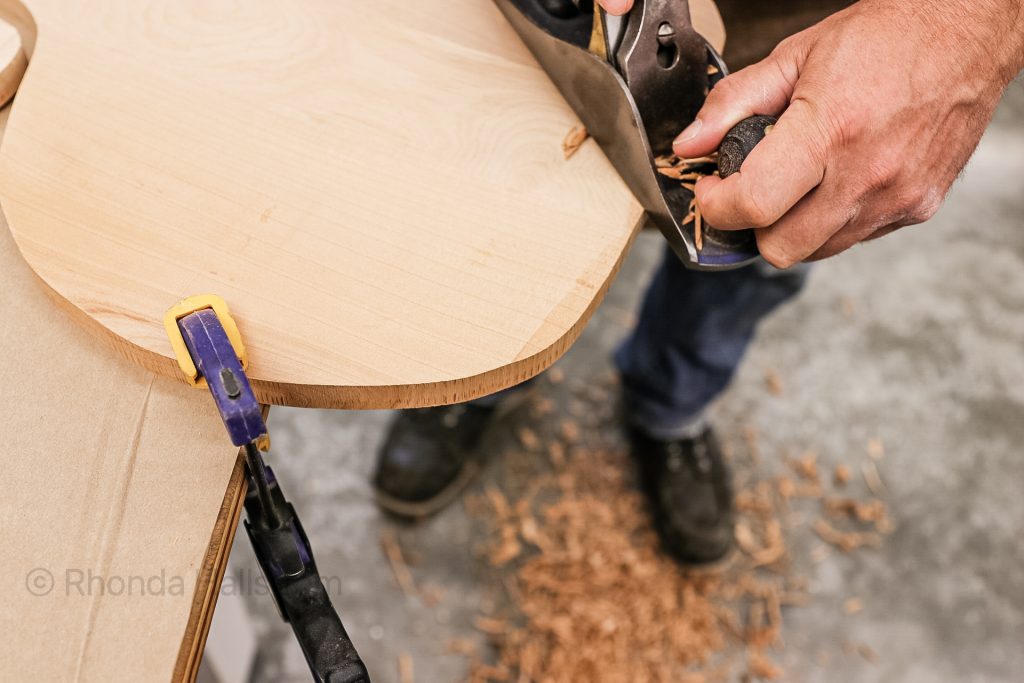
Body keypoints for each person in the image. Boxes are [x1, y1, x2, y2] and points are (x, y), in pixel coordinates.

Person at [372, 0, 1024, 564]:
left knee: (770, 216)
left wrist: (967, 26)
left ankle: (669, 407)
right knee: (521, 164)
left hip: (816, 26)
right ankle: (491, 373)